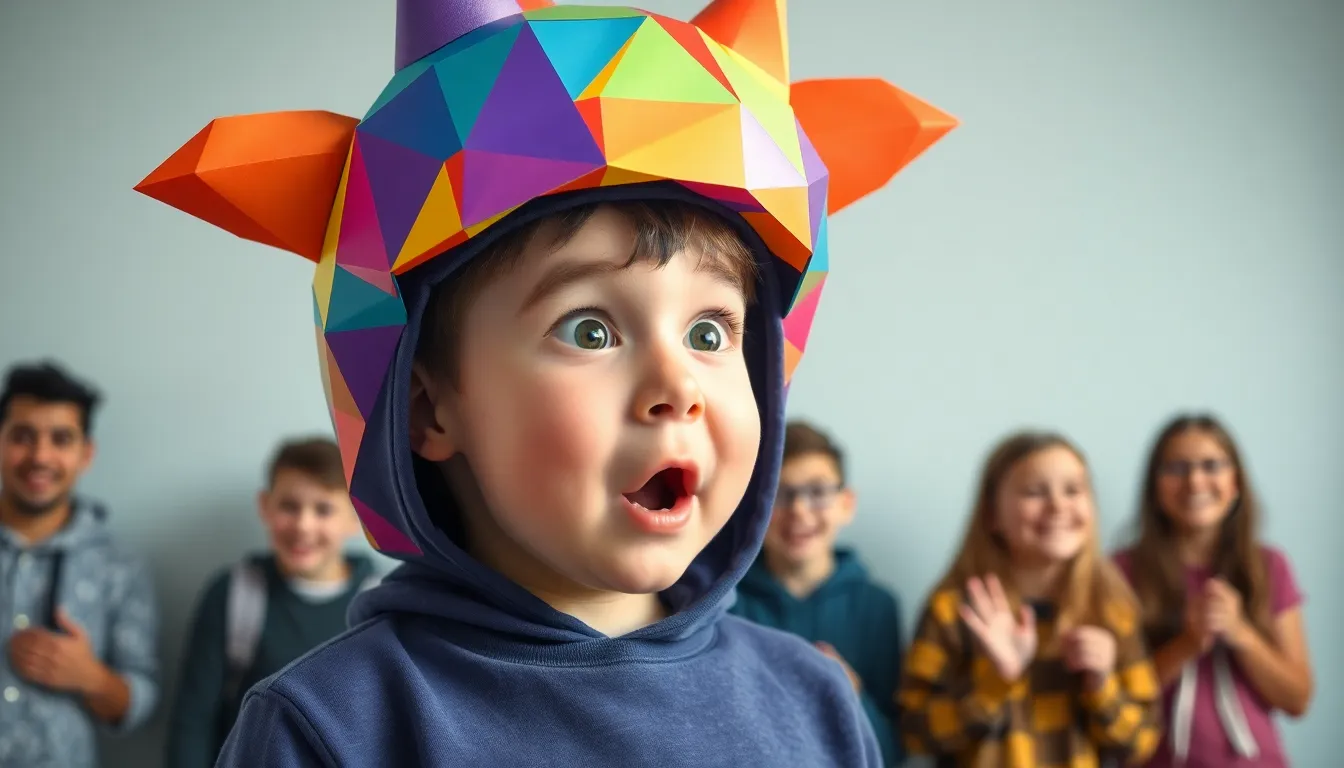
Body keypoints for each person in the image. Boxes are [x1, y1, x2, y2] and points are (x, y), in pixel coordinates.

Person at [135, 0, 956, 763]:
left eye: (711, 332)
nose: (678, 386)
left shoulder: (816, 704)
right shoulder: (333, 726)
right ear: (426, 403)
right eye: (590, 330)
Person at [898, 431, 1161, 768]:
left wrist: (1102, 684)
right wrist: (996, 682)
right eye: (1035, 492)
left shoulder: (1111, 611)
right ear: (992, 515)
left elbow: (1142, 743)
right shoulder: (955, 611)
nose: (1058, 506)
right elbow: (913, 734)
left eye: (1073, 490)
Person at [1113, 414, 1314, 768]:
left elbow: (1297, 699)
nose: (1195, 480)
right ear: (1154, 487)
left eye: (1211, 465)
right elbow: (1114, 699)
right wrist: (1188, 643)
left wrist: (1241, 633)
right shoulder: (1122, 572)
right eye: (1176, 467)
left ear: (1235, 481)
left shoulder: (1268, 566)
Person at [164, 436, 379, 768]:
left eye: (323, 509)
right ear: (265, 506)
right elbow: (192, 722)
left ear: (355, 518)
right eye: (289, 506)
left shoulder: (379, 604)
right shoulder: (233, 593)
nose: (303, 525)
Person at [0, 361, 160, 768]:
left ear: (85, 453)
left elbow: (141, 700)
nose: (40, 456)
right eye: (22, 436)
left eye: (61, 438)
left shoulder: (119, 566)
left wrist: (91, 677)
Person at [731, 420, 905, 765]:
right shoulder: (726, 603)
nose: (798, 510)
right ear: (756, 506)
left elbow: (891, 752)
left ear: (846, 504)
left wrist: (851, 692)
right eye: (780, 494)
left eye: (818, 492)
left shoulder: (878, 607)